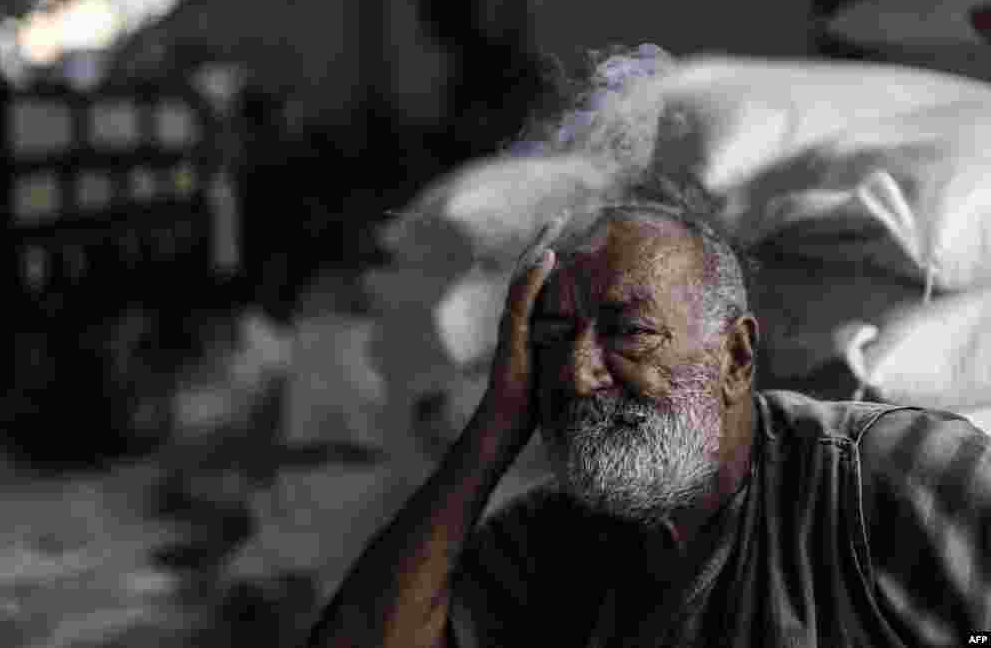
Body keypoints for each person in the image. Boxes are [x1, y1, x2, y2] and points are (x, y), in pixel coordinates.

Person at [306, 176, 991, 646]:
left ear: (735, 356)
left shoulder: (884, 480)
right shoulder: (552, 543)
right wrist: (495, 425)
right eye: (551, 339)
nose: (578, 373)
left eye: (628, 332)